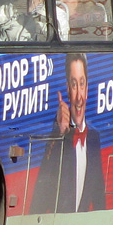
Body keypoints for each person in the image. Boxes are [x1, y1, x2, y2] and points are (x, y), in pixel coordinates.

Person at [30, 53, 106, 214]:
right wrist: (59, 133)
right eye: (73, 85)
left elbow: (100, 200)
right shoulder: (58, 136)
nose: (79, 97)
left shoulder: (93, 138)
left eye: (82, 84)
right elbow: (39, 201)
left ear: (87, 90)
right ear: (67, 90)